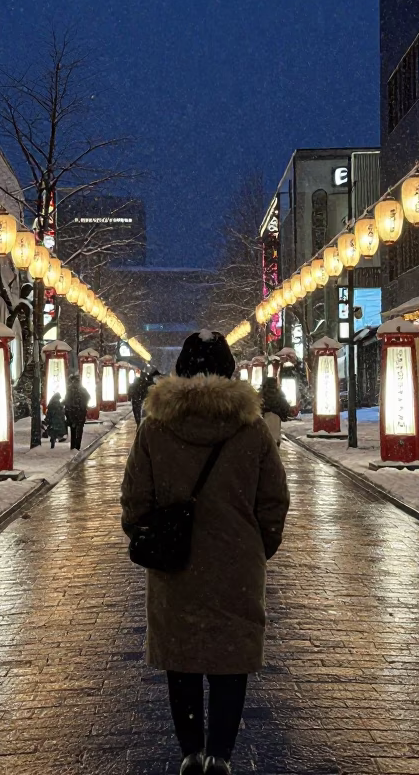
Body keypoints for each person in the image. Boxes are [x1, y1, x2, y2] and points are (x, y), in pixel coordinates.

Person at [121, 331, 289, 775]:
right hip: (237, 564)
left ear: (180, 370)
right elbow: (274, 499)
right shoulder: (250, 428)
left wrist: (149, 536)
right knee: (229, 659)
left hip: (176, 564)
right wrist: (256, 547)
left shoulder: (155, 428)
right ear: (230, 372)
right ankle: (221, 755)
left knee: (183, 656)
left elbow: (135, 499)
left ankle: (191, 750)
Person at [259, 376, 292, 446]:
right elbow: (285, 410)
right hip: (276, 430)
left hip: (263, 430)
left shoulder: (261, 396)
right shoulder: (280, 397)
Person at [63, 374, 90, 450]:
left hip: (72, 413)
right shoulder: (82, 390)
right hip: (80, 413)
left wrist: (67, 407)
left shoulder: (70, 390)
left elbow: (67, 401)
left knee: (73, 430)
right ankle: (77, 446)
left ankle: (73, 446)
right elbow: (88, 397)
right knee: (79, 430)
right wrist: (83, 405)